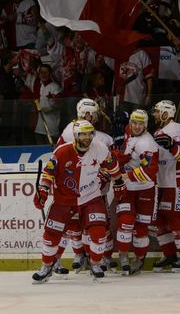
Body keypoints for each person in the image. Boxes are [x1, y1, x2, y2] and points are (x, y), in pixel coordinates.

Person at [32, 120, 124, 283]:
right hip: (64, 199)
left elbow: (112, 165)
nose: (87, 137)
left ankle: (95, 263)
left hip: (91, 197)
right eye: (83, 134)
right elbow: (48, 174)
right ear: (76, 136)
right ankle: (47, 266)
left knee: (98, 231)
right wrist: (43, 191)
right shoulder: (61, 151)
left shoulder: (100, 148)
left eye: (89, 133)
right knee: (52, 234)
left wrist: (118, 182)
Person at [151, 100, 180, 272]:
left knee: (175, 216)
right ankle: (169, 254)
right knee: (160, 219)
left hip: (176, 181)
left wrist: (171, 144)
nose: (155, 115)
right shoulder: (158, 132)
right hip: (162, 181)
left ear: (165, 113)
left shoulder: (176, 128)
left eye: (157, 112)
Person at [113, 109, 160, 276]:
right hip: (128, 188)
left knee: (141, 229)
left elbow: (151, 170)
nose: (137, 126)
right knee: (125, 221)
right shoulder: (128, 131)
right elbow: (126, 152)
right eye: (134, 122)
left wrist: (127, 175)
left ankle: (139, 259)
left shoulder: (148, 144)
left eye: (141, 124)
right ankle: (124, 256)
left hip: (145, 188)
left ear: (146, 125)